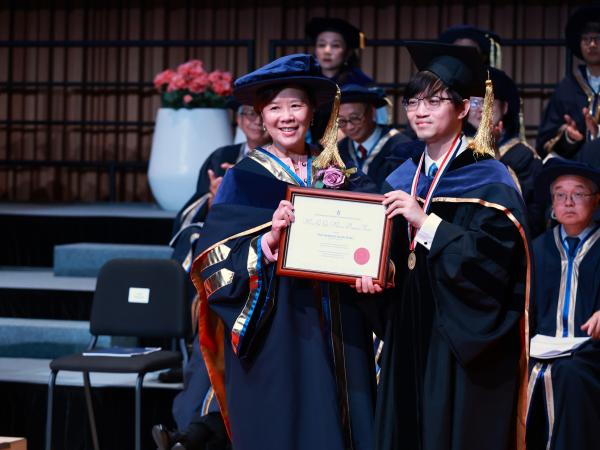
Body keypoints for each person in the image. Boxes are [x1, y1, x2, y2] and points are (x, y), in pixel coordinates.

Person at [190, 53, 377, 450]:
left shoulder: (341, 173)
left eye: (296, 105)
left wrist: (377, 267)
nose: (286, 117)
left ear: (312, 111)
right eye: (275, 108)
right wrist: (265, 245)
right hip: (279, 331)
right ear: (260, 115)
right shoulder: (242, 180)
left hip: (343, 329)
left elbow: (377, 240)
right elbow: (211, 264)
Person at [357, 42, 531, 450]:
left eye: (434, 101)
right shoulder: (400, 176)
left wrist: (427, 222)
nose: (420, 111)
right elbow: (394, 256)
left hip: (458, 341)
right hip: (406, 328)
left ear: (464, 109)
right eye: (413, 101)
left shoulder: (489, 179)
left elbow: (498, 264)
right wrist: (376, 276)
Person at [526, 157, 600, 450]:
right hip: (541, 349)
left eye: (578, 193)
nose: (568, 202)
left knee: (567, 375)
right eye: (560, 194)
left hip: (591, 354)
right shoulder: (537, 248)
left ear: (596, 201)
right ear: (552, 205)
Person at [468, 67, 544, 234]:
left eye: (489, 101)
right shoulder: (455, 149)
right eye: (475, 102)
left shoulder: (524, 156)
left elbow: (533, 215)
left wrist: (493, 155)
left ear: (505, 107)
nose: (481, 108)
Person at [536, 6, 600, 159]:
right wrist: (569, 138)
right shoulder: (567, 89)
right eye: (586, 39)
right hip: (577, 171)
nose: (592, 44)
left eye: (598, 38)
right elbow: (545, 143)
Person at [305, 17, 376, 143]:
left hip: (349, 146)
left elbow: (376, 124)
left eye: (335, 45)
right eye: (321, 45)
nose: (327, 51)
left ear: (347, 52)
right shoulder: (306, 82)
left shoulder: (362, 84)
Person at [337, 84, 412, 190]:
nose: (349, 127)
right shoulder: (340, 150)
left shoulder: (401, 148)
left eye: (355, 118)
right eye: (342, 121)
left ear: (372, 112)